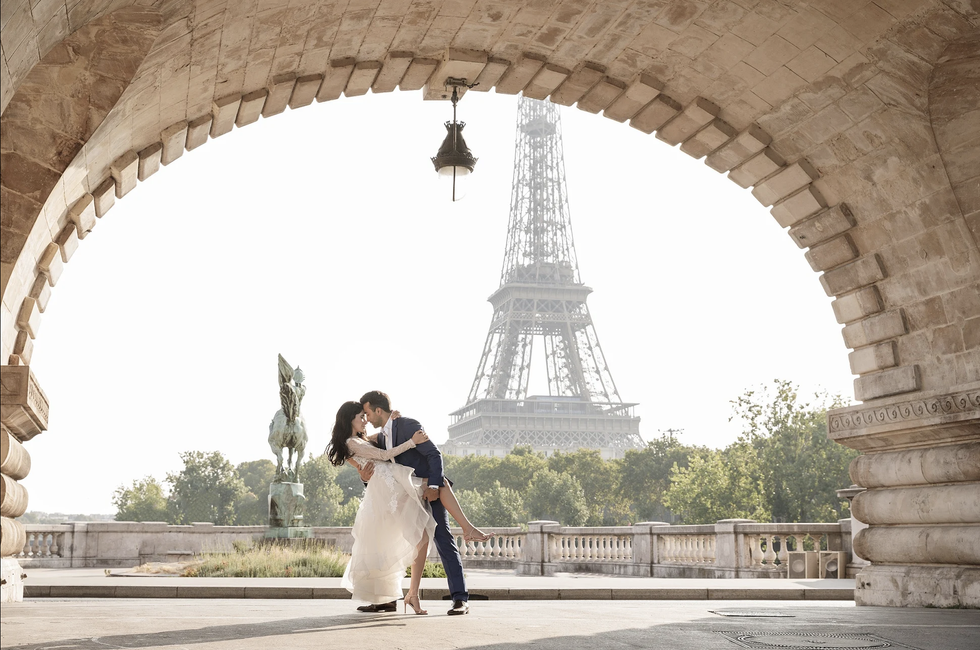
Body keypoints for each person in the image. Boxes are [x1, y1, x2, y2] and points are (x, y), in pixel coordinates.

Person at [358, 390, 491, 616]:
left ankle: (460, 599)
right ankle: (389, 599)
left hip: (428, 492)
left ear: (378, 410)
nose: (367, 418)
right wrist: (364, 478)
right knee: (390, 544)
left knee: (443, 540)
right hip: (403, 498)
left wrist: (432, 487)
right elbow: (382, 472)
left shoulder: (409, 425)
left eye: (368, 413)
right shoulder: (380, 438)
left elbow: (434, 455)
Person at [326, 401, 433, 614]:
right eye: (360, 417)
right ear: (350, 420)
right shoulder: (351, 442)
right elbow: (384, 456)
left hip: (387, 488)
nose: (365, 420)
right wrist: (412, 441)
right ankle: (400, 596)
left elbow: (380, 439)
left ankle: (389, 597)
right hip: (388, 489)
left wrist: (391, 420)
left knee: (388, 543)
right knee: (409, 538)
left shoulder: (358, 440)